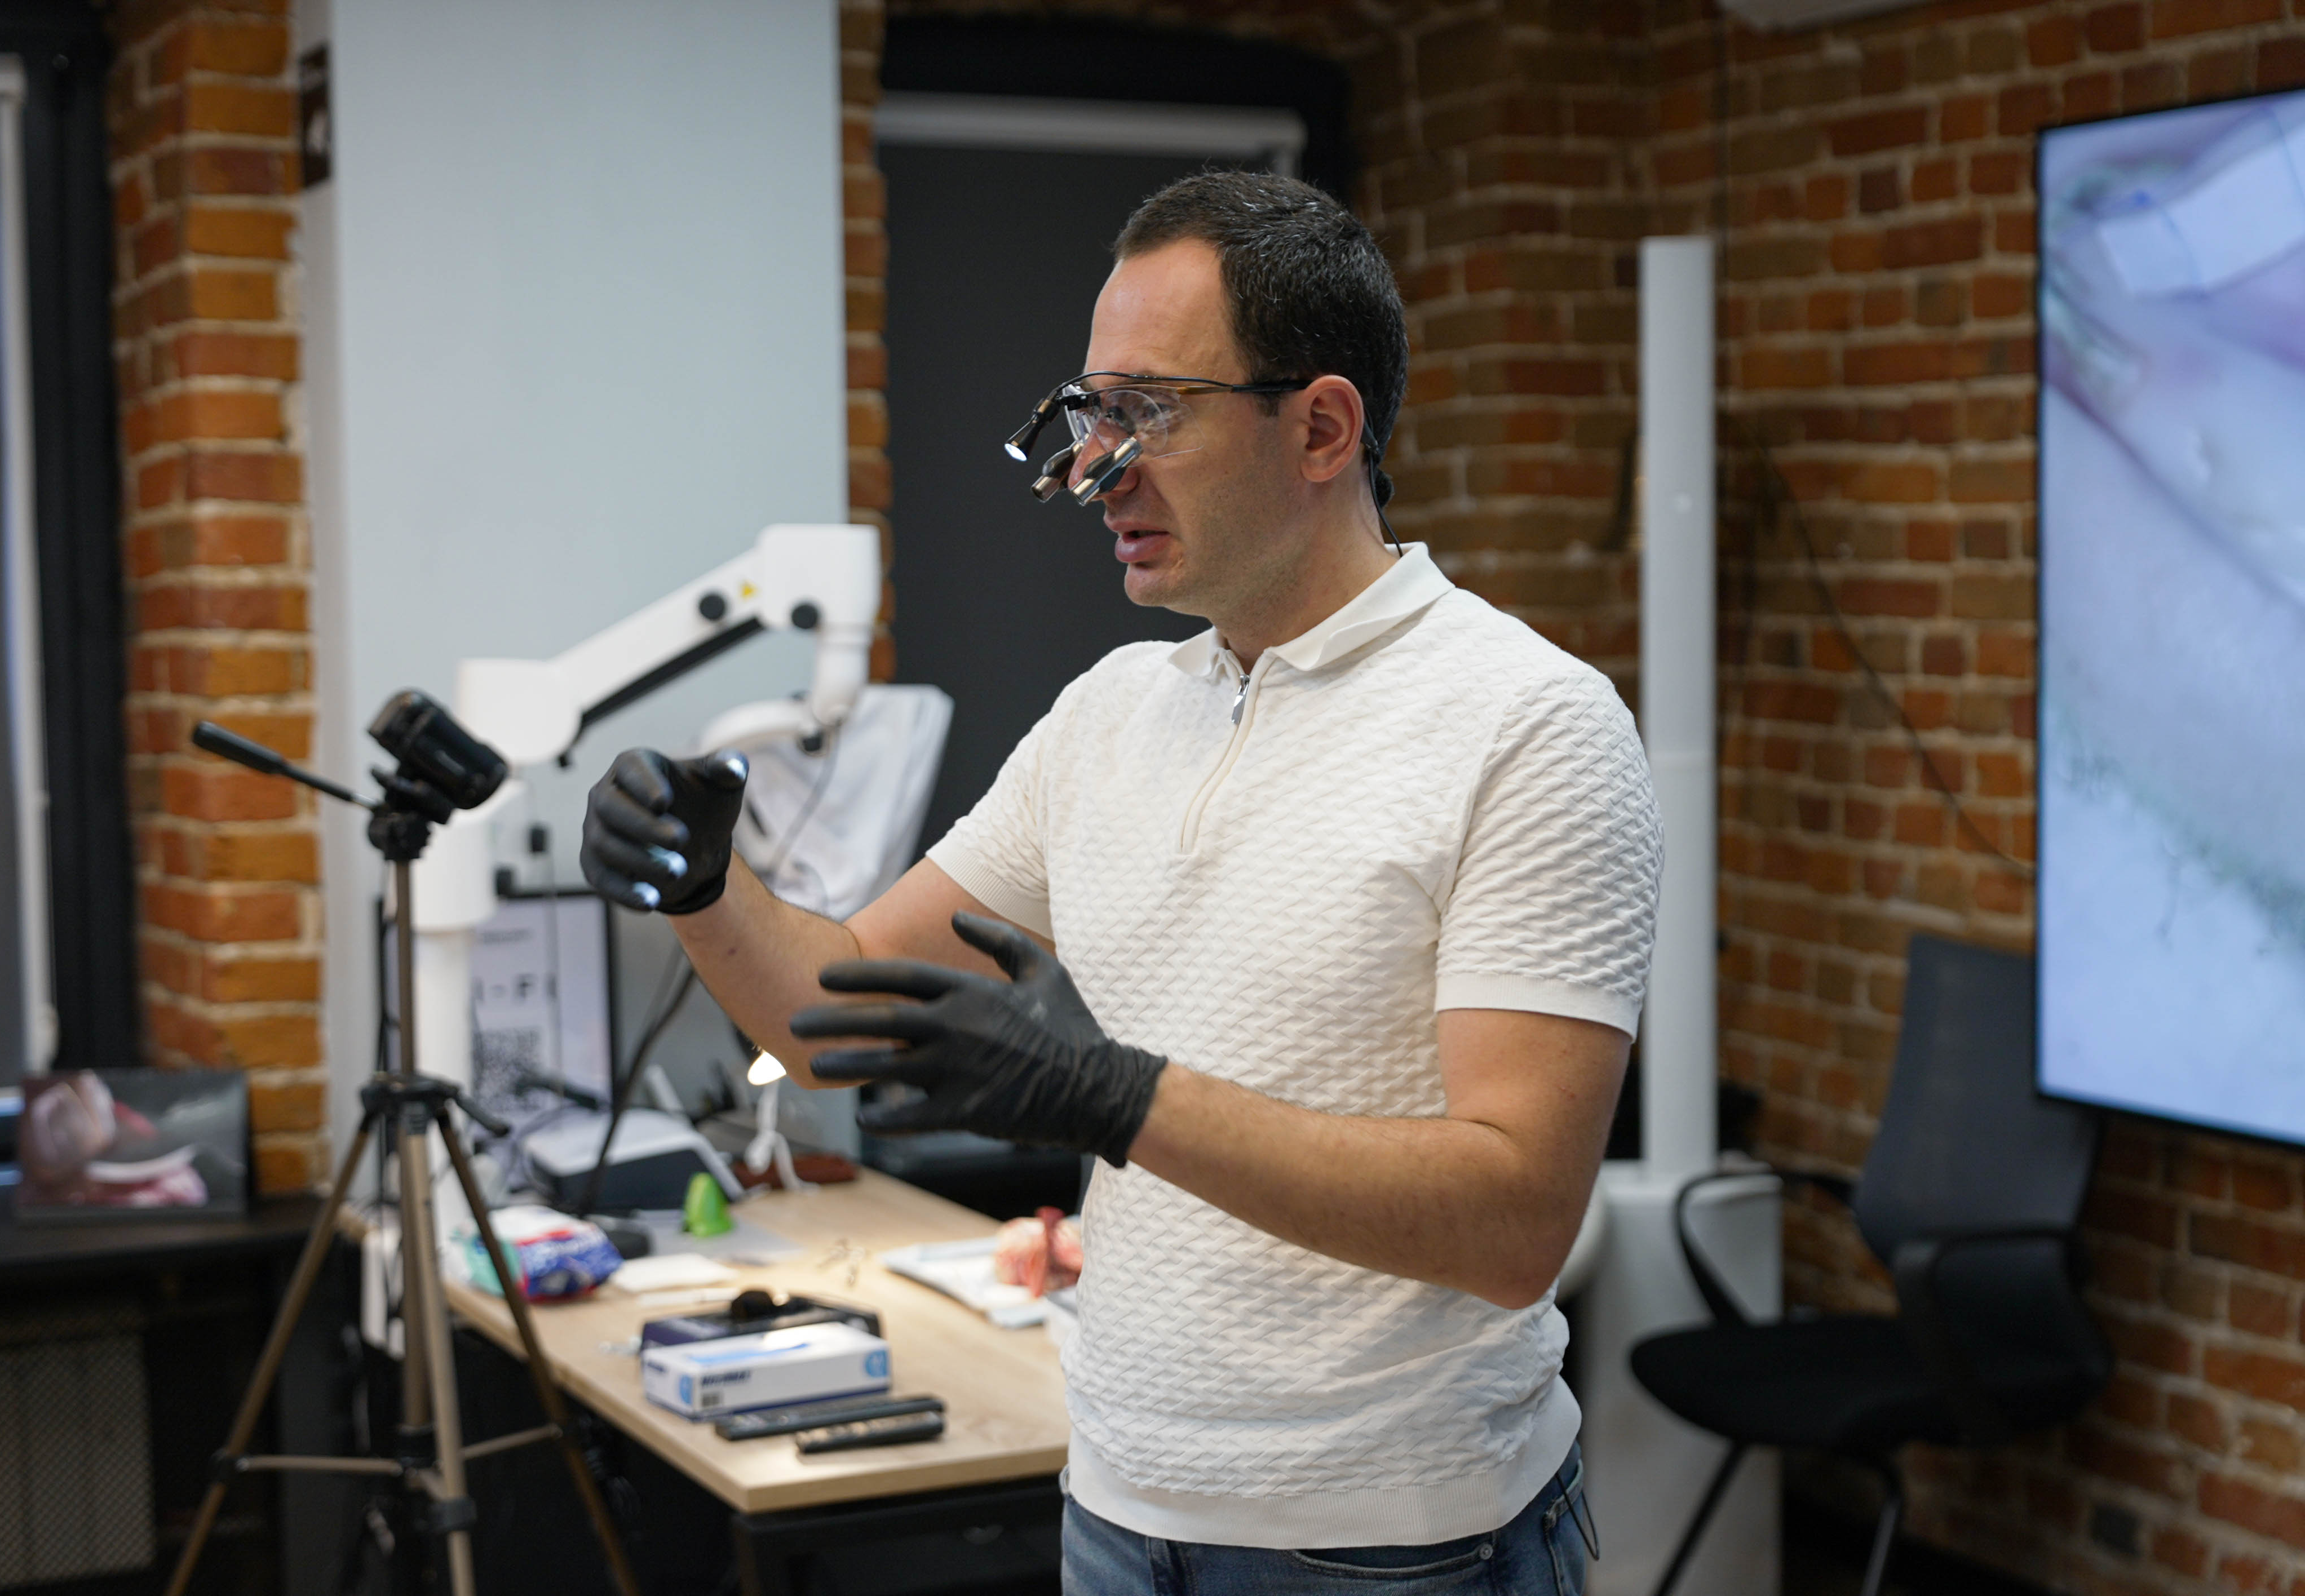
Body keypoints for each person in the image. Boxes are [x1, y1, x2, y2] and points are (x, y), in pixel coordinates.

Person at [582, 171, 1660, 1594]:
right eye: (1089, 412)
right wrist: (702, 890)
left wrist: (1111, 1096)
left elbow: (1513, 1224)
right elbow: (829, 1019)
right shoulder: (1110, 713)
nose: (1097, 467)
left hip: (1397, 1543)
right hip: (1116, 1508)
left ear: (1320, 428)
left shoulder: (1528, 723)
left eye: (1148, 413)